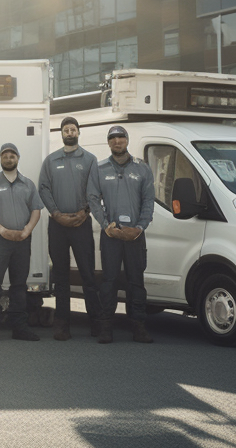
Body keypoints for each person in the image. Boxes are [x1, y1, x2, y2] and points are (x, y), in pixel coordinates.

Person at [86, 125, 155, 344]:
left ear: (127, 140)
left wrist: (140, 227)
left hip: (135, 235)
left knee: (136, 281)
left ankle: (138, 326)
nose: (117, 141)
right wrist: (106, 225)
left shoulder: (142, 168)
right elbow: (92, 199)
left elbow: (148, 201)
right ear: (108, 142)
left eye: (121, 137)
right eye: (113, 138)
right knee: (109, 281)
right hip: (111, 235)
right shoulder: (99, 168)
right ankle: (106, 326)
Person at [38, 116, 102, 340]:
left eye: (73, 129)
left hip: (81, 224)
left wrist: (84, 212)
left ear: (78, 132)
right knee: (61, 275)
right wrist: (56, 213)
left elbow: (94, 190)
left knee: (88, 275)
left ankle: (96, 323)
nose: (69, 133)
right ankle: (62, 324)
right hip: (57, 226)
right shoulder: (51, 161)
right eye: (66, 130)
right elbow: (43, 188)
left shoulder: (90, 160)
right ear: (62, 133)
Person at [0, 143, 45, 342]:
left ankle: (19, 328)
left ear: (18, 158)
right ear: (0, 159)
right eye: (5, 155)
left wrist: (27, 230)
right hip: (1, 240)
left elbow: (36, 210)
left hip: (22, 240)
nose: (8, 159)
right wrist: (1, 229)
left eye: (12, 155)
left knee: (19, 285)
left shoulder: (28, 184)